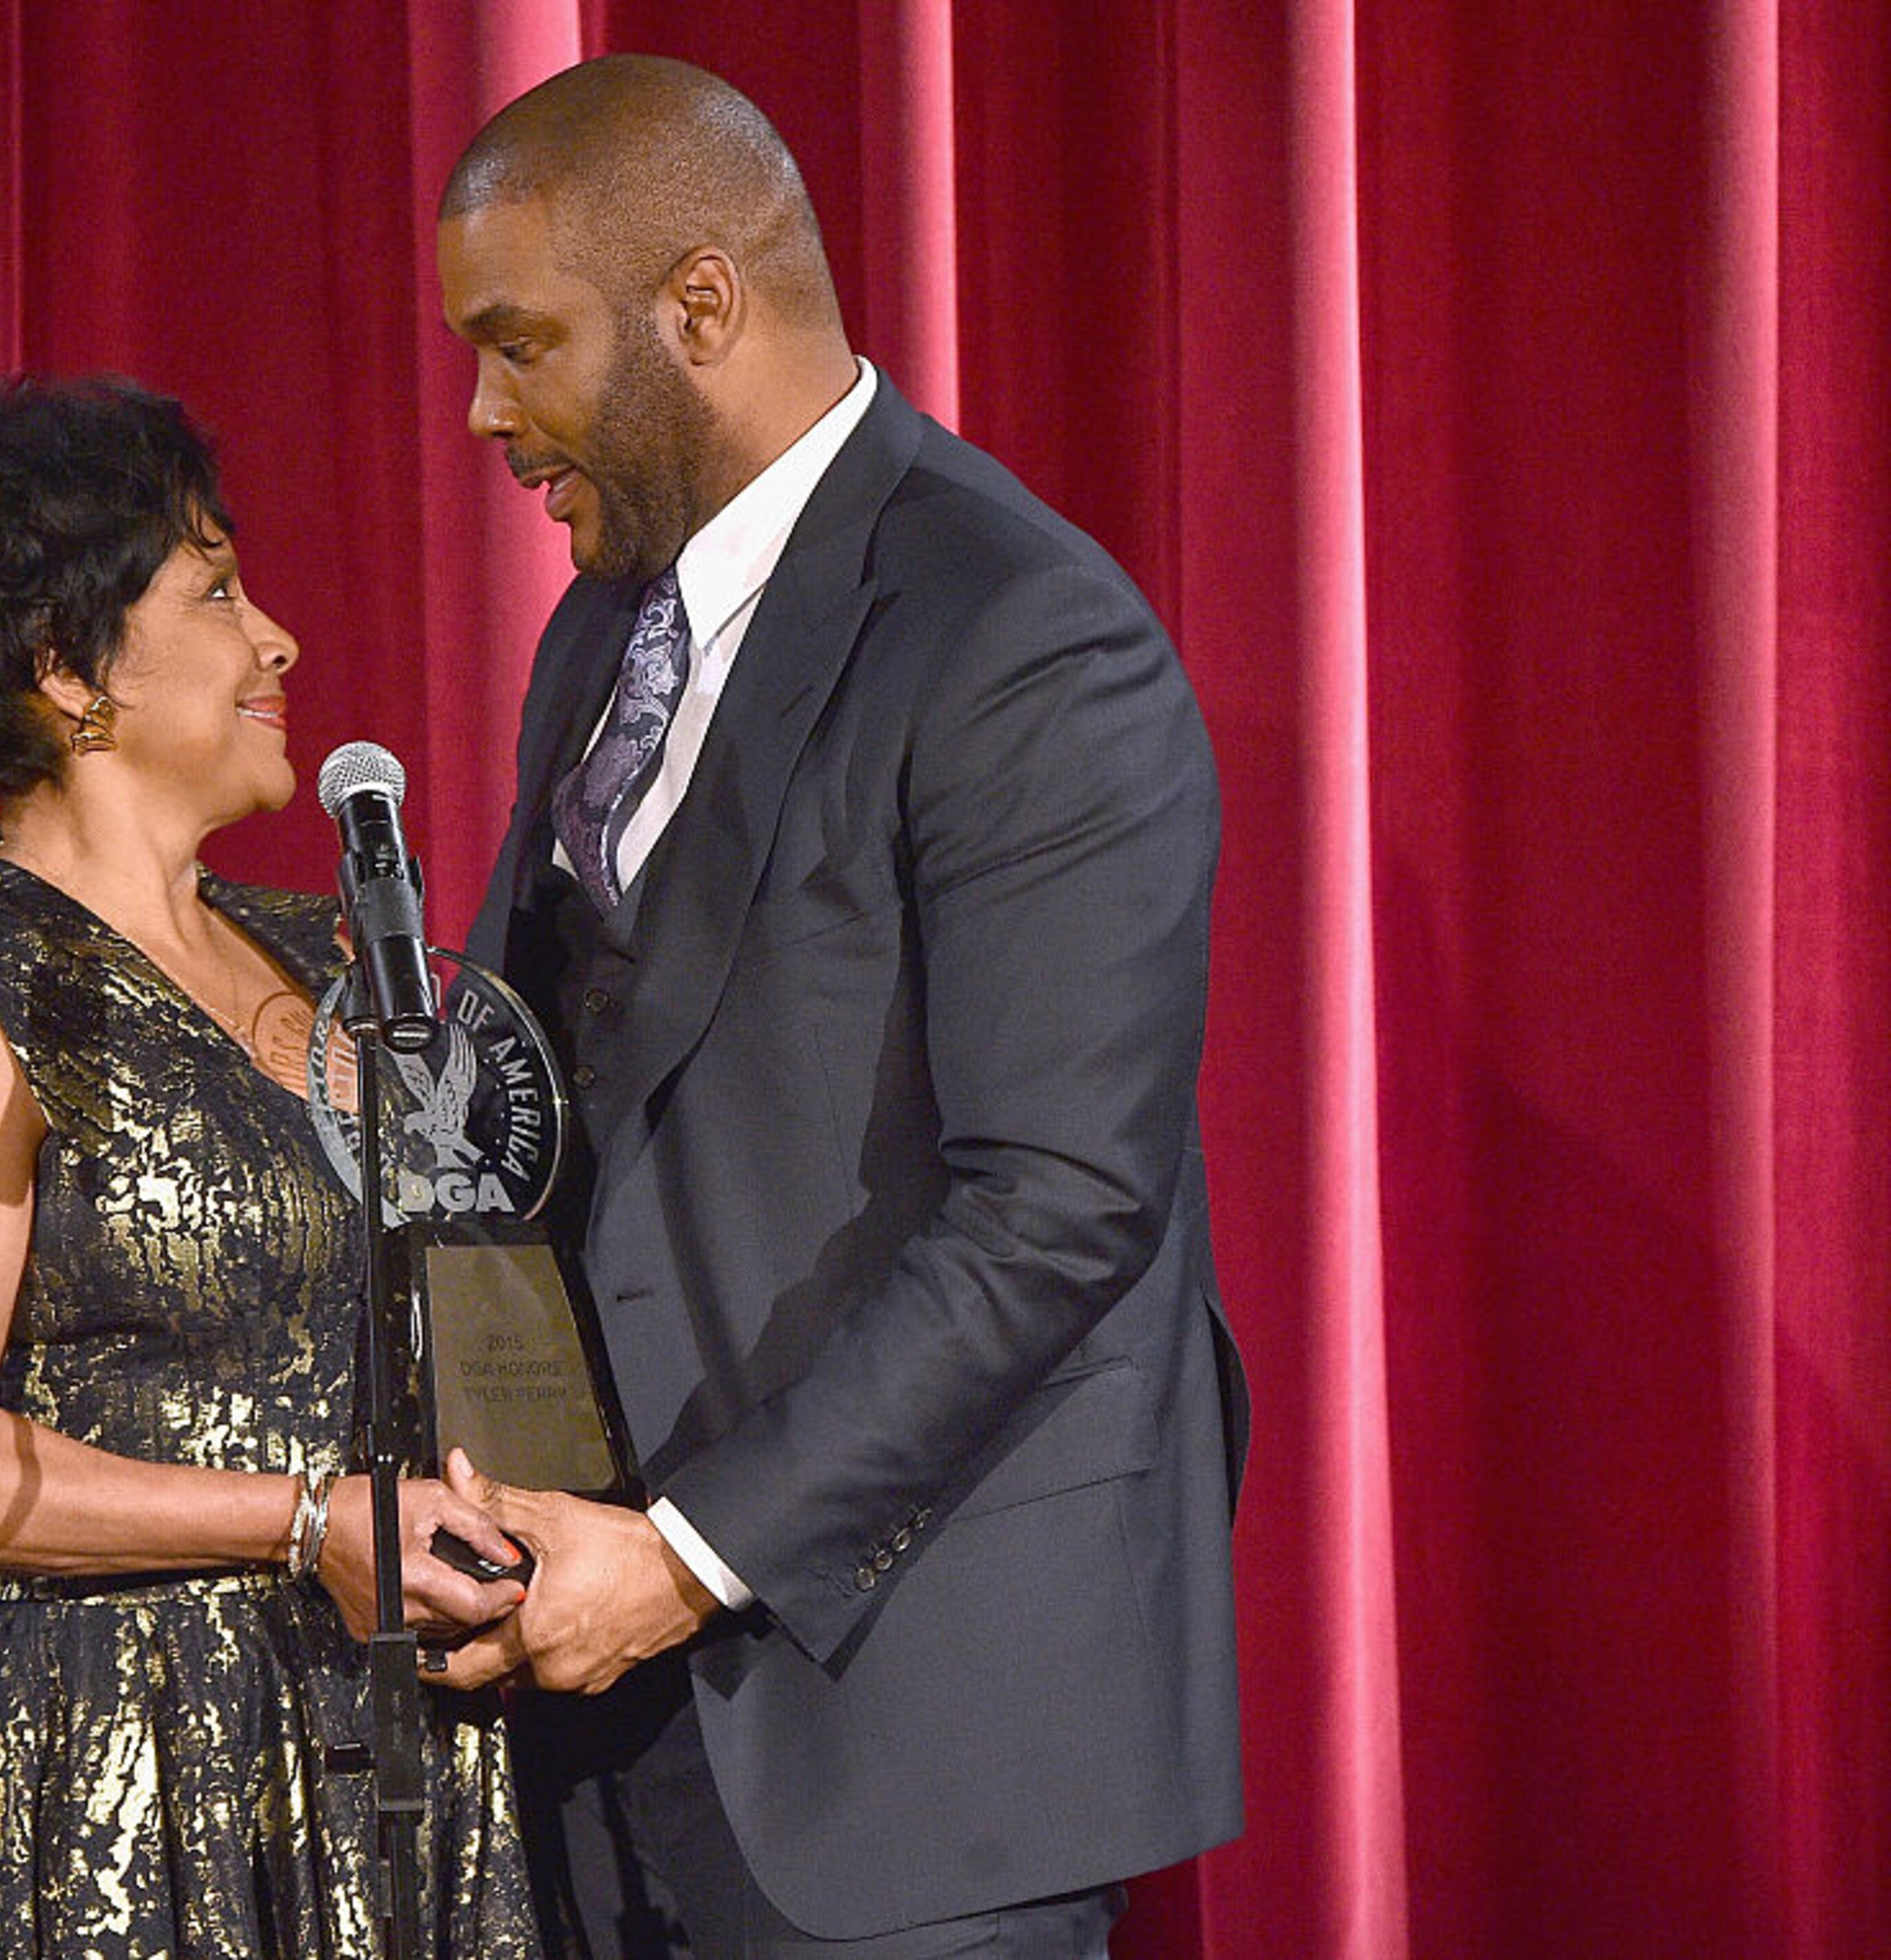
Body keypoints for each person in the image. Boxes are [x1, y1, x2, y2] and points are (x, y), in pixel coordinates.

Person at [429, 56, 1247, 1960]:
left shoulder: (1021, 633)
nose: (482, 409)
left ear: (699, 307)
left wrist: (686, 1552)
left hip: (910, 1730)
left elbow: (1058, 1206)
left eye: (518, 343)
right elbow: (560, 1095)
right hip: (599, 1724)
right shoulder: (597, 630)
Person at [0, 373, 542, 1959]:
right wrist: (300, 1523)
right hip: (110, 1780)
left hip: (389, 1755)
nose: (275, 638)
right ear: (65, 670)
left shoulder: (326, 952)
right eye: (213, 590)